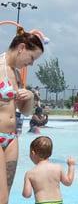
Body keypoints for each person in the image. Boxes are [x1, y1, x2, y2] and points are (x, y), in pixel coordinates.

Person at [0, 27, 43, 202]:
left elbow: (24, 111)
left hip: (11, 138)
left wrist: (30, 97)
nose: (31, 64)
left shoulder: (16, 74)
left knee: (6, 195)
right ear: (22, 48)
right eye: (32, 58)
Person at [22, 136, 75, 204]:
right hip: (58, 202)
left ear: (33, 153)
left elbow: (27, 194)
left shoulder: (30, 173)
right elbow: (68, 182)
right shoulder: (58, 168)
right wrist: (71, 166)